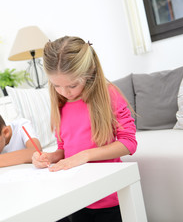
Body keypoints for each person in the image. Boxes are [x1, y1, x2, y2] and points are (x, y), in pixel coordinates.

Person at [32, 36, 137, 222]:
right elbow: (64, 148)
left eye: (72, 85)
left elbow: (128, 143)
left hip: (109, 198)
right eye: (57, 86)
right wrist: (49, 157)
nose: (65, 92)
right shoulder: (61, 104)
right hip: (77, 197)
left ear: (89, 73)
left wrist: (85, 155)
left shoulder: (109, 95)